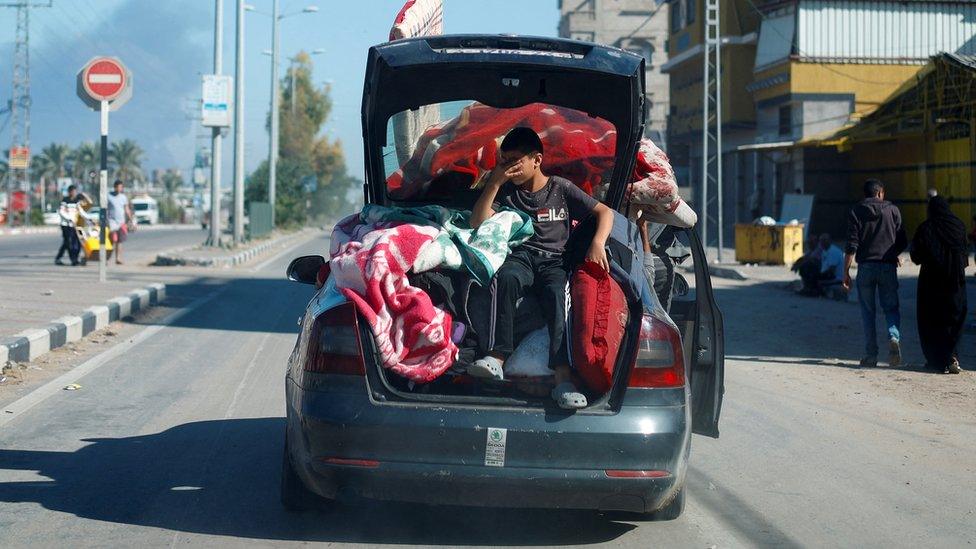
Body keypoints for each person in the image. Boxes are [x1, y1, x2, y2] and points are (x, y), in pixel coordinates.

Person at [467, 127, 615, 409]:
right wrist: (495, 183)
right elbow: (478, 222)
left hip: (554, 261)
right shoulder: (508, 191)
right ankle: (497, 357)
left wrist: (597, 242)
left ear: (536, 160)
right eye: (504, 161)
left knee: (558, 294)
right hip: (522, 255)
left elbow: (604, 212)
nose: (509, 167)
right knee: (506, 277)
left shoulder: (560, 188)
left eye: (514, 160)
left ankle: (562, 377)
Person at [843, 178, 908, 368]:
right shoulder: (893, 210)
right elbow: (903, 239)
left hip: (866, 268)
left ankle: (871, 355)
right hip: (887, 266)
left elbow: (851, 245)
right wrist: (893, 253)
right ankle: (893, 336)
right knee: (891, 308)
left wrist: (845, 272)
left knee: (868, 312)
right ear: (880, 193)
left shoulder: (856, 211)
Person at [910, 194, 969, 374]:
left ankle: (936, 360)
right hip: (955, 283)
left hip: (931, 284)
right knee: (954, 320)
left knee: (931, 321)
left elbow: (916, 256)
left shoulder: (926, 228)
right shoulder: (958, 226)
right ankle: (952, 356)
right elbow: (965, 256)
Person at [55, 185, 84, 266]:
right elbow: (61, 212)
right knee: (68, 243)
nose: (74, 193)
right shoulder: (65, 201)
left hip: (75, 225)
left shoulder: (77, 201)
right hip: (66, 225)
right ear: (70, 192)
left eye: (75, 191)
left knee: (77, 242)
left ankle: (73, 258)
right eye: (73, 191)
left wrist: (89, 219)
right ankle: (73, 259)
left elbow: (81, 211)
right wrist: (69, 219)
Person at [106, 179, 132, 265]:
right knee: (112, 240)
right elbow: (105, 209)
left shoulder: (123, 197)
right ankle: (107, 258)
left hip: (121, 222)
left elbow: (126, 209)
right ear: (114, 187)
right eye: (118, 187)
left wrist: (131, 219)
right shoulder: (109, 196)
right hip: (112, 221)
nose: (119, 188)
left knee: (120, 241)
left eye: (120, 187)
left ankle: (118, 258)